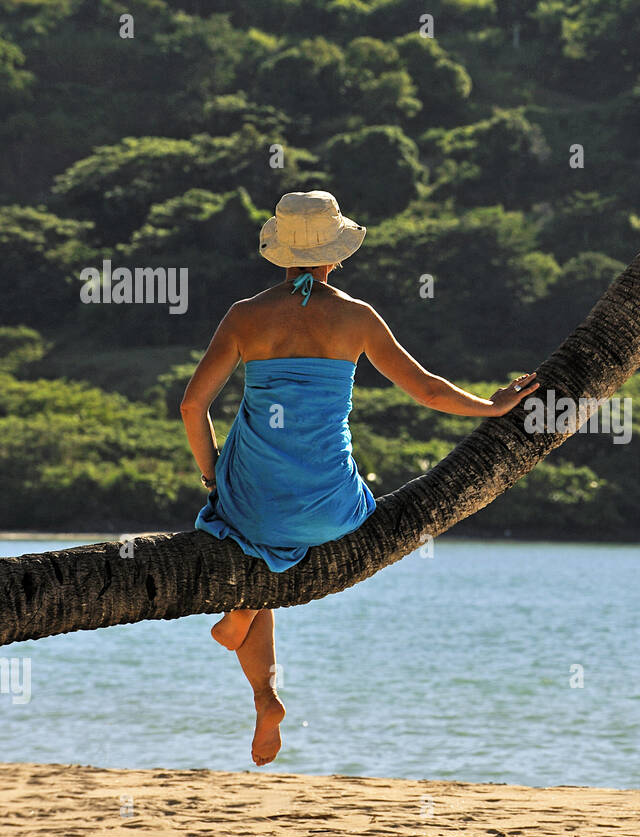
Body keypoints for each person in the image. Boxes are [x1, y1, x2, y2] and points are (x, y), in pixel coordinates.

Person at [180, 190, 539, 765]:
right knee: (282, 526)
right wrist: (495, 408)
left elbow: (191, 408)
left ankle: (264, 690)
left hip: (250, 500)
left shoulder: (245, 316)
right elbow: (426, 390)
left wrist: (214, 480)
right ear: (335, 255)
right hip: (332, 508)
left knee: (248, 532)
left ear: (282, 252)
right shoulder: (357, 317)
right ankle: (250, 627)